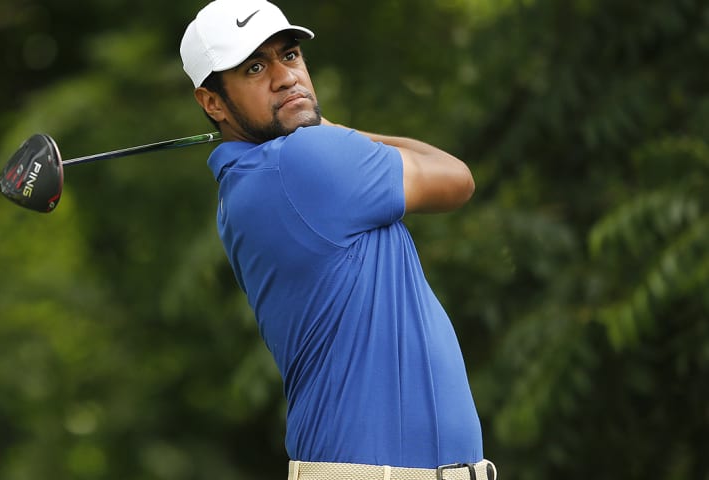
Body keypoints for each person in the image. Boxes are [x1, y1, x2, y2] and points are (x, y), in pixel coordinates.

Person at [180, 1, 496, 479]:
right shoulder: (303, 161)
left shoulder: (249, 181)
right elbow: (457, 179)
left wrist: (303, 120)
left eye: (289, 56)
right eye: (255, 67)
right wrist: (319, 123)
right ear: (213, 102)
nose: (285, 77)